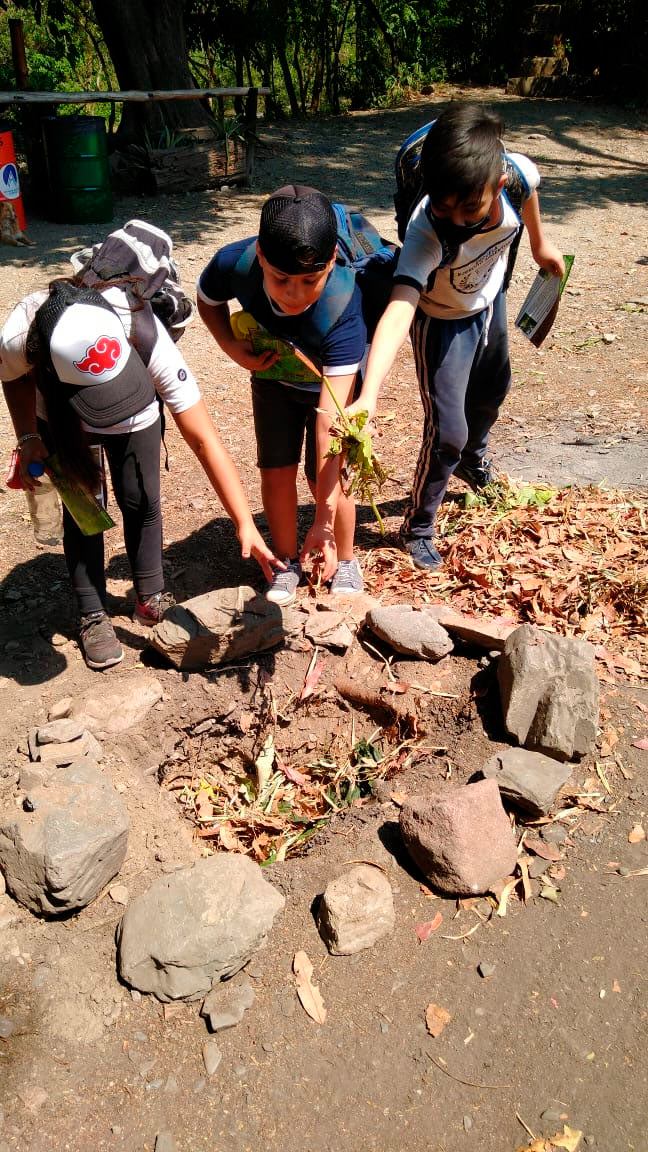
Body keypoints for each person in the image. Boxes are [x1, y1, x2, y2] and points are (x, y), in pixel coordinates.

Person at [0, 278, 281, 670]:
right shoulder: (20, 335)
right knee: (84, 515)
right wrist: (29, 435)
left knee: (142, 498)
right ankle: (91, 611)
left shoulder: (141, 330)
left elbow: (204, 439)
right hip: (65, 422)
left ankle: (150, 595)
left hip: (138, 415)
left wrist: (244, 522)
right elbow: (12, 377)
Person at [347, 103, 566, 570]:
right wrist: (369, 394)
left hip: (490, 299)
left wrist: (540, 245)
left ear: (498, 183)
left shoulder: (517, 174)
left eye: (471, 207)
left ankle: (472, 459)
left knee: (493, 391)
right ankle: (418, 526)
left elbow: (529, 197)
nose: (458, 218)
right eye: (445, 206)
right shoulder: (428, 231)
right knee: (447, 431)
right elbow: (401, 306)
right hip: (441, 320)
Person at [197, 184, 367, 606]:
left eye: (311, 280)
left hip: (330, 389)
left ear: (330, 262)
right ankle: (285, 560)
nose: (295, 293)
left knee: (326, 476)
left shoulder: (344, 305)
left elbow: (331, 427)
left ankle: (344, 557)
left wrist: (323, 522)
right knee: (276, 471)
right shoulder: (233, 264)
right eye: (281, 278)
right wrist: (232, 349)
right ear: (260, 256)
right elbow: (207, 300)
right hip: (273, 381)